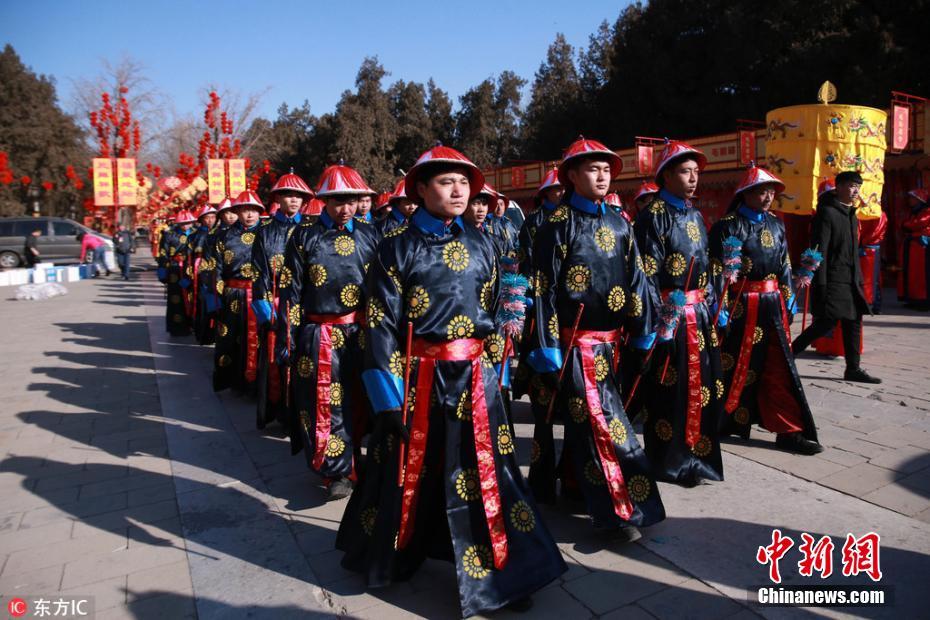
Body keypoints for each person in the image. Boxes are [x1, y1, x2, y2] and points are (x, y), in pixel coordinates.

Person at [337, 144, 566, 617]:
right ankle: (396, 550)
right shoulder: (394, 248)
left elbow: (498, 304)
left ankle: (506, 570)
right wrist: (385, 397)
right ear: (420, 189)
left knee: (487, 472)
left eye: (464, 181)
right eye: (446, 181)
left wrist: (499, 365)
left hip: (477, 378)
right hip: (420, 375)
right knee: (406, 467)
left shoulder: (484, 241)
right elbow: (378, 322)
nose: (459, 189)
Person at [524, 136, 665, 538]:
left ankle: (574, 486)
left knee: (588, 423)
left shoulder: (620, 222)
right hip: (576, 346)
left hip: (613, 343)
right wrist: (548, 346)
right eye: (591, 168)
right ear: (571, 175)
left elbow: (636, 278)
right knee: (607, 425)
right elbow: (543, 287)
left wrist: (642, 331)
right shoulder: (556, 224)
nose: (601, 175)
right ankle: (621, 509)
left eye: (606, 168)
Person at [276, 162, 379, 500]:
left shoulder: (370, 234)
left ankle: (360, 460)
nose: (345, 207)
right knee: (326, 404)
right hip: (319, 335)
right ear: (324, 201)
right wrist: (287, 337)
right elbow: (289, 292)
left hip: (362, 333)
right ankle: (337, 472)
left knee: (364, 400)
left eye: (351, 200)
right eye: (337, 201)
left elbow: (383, 289)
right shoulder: (304, 237)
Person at [709, 164, 823, 455]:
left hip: (772, 306)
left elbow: (784, 264)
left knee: (779, 367)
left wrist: (788, 298)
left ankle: (789, 430)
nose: (768, 196)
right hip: (740, 306)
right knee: (733, 364)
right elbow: (715, 270)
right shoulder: (727, 225)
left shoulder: (776, 223)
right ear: (746, 193)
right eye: (762, 190)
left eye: (771, 191)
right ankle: (721, 420)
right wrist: (719, 305)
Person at [632, 139, 726, 487]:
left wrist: (714, 301)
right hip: (670, 319)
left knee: (705, 387)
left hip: (698, 316)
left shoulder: (695, 214)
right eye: (685, 172)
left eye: (696, 173)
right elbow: (646, 275)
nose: (693, 179)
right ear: (666, 175)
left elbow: (706, 263)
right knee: (670, 392)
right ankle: (670, 461)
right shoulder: (651, 217)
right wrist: (658, 320)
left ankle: (698, 457)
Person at [791, 171, 880, 383]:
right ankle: (787, 355)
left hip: (851, 279)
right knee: (825, 323)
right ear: (838, 187)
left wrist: (858, 278)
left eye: (858, 186)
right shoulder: (827, 213)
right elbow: (818, 249)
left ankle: (853, 368)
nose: (855, 190)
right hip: (832, 280)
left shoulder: (851, 213)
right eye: (851, 185)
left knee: (854, 321)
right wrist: (819, 284)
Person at [250, 171, 313, 430]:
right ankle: (278, 411)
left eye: (299, 195)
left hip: (306, 307)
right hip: (276, 306)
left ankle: (302, 415)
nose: (294, 200)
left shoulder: (310, 229)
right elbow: (259, 273)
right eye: (289, 195)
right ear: (278, 198)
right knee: (275, 361)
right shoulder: (265, 232)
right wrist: (267, 313)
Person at [213, 191, 265, 393]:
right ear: (236, 212)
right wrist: (218, 297)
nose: (250, 215)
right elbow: (215, 268)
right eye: (245, 210)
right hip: (233, 294)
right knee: (233, 338)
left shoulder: (268, 233)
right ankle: (235, 381)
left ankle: (259, 385)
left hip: (261, 294)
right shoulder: (224, 236)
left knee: (261, 340)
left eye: (253, 210)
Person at [156, 210, 195, 336]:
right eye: (182, 223)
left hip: (193, 269)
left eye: (188, 222)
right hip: (174, 270)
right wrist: (162, 272)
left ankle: (194, 326)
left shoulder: (197, 234)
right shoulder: (169, 235)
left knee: (193, 297)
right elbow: (163, 254)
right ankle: (177, 328)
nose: (185, 225)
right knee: (175, 299)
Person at [898, 188, 930, 310]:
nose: (910, 200)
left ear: (919, 199)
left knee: (921, 274)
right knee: (911, 273)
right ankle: (912, 298)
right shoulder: (913, 212)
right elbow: (905, 224)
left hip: (922, 247)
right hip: (914, 246)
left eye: (913, 198)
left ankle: (923, 299)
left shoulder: (927, 212)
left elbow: (915, 224)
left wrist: (907, 225)